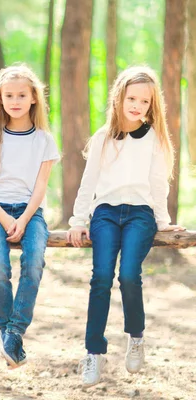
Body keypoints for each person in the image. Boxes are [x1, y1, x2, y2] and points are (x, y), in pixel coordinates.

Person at [66, 66, 185, 387]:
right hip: (104, 213)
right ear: (119, 98)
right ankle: (94, 353)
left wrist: (163, 223)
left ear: (151, 105)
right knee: (101, 277)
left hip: (140, 215)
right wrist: (78, 221)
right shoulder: (103, 138)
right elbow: (88, 182)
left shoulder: (155, 140)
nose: (136, 105)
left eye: (144, 102)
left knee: (129, 274)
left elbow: (158, 183)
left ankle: (136, 337)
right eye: (131, 98)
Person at [0, 64, 60, 369]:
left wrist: (23, 220)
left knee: (34, 260)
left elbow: (40, 186)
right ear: (0, 99)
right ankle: (5, 329)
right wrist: (2, 217)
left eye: (21, 95)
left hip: (30, 212)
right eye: (8, 95)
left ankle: (15, 331)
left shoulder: (44, 140)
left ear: (33, 98)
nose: (15, 100)